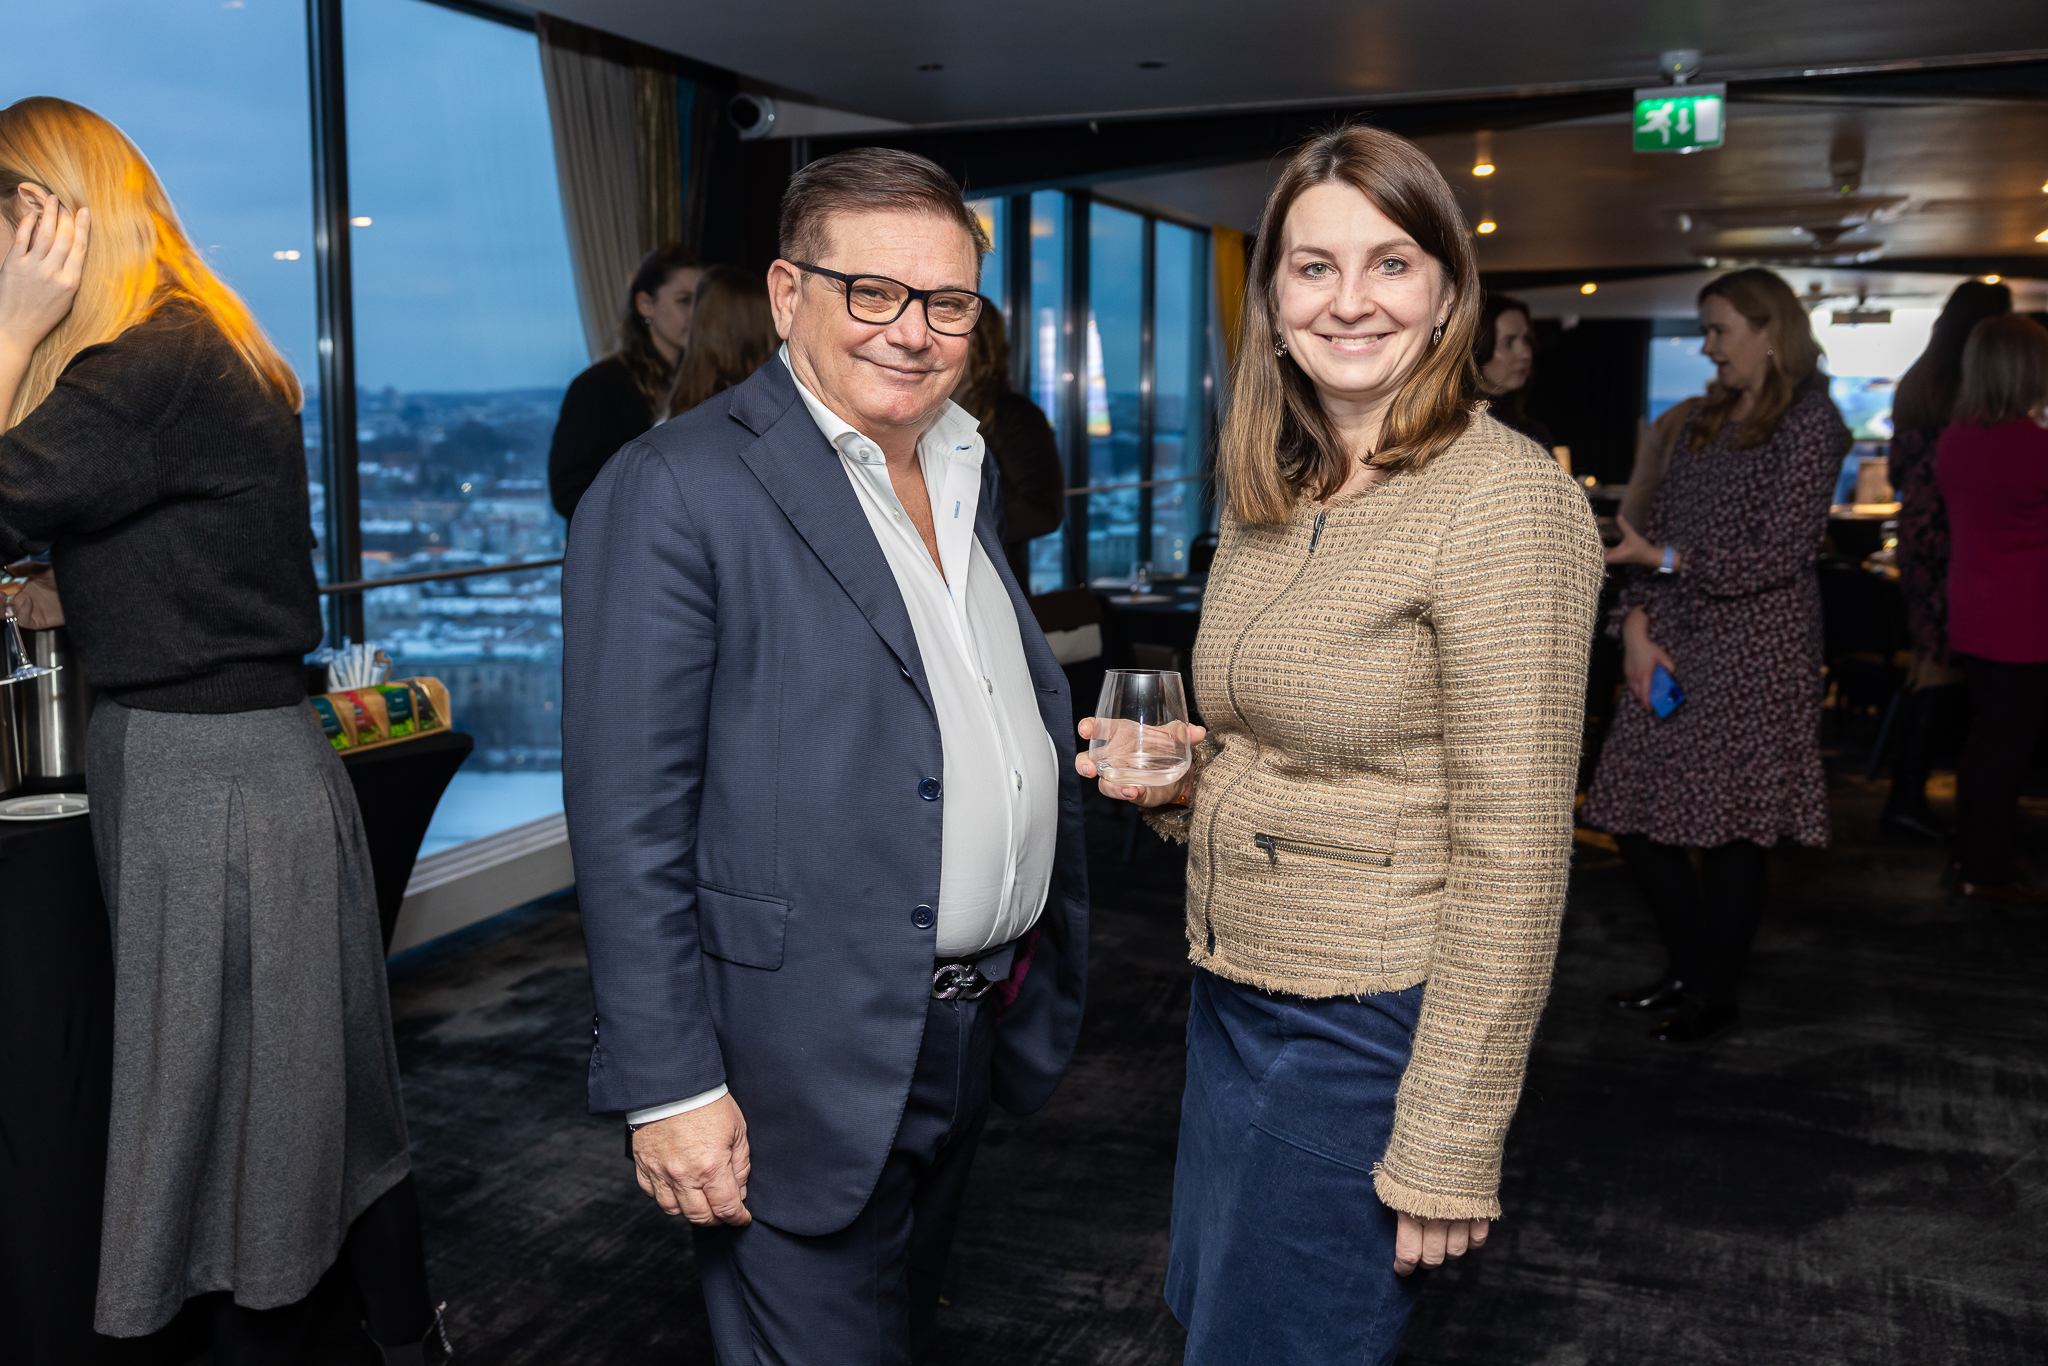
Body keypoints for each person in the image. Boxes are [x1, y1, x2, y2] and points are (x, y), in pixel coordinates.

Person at [1081, 125, 1602, 1365]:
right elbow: (1280, 750)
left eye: (1390, 263)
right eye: (1313, 267)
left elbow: (1516, 850)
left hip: (1367, 1019)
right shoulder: (1275, 488)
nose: (1349, 300)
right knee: (1210, 1324)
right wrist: (1182, 784)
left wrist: (1448, 1135)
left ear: (1446, 295)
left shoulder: (1503, 499)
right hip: (1230, 992)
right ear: (1270, 301)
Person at [561, 146, 1088, 1364]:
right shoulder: (674, 486)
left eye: (946, 302)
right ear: (787, 293)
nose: (911, 330)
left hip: (962, 1029)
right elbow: (629, 823)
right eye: (872, 291)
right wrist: (669, 1086)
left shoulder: (960, 465)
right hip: (788, 1058)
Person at [0, 98, 446, 1364]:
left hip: (206, 769)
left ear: (42, 219)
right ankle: (373, 1325)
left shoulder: (147, 361)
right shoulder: (191, 339)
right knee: (283, 1094)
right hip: (232, 752)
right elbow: (202, 546)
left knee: (229, 1107)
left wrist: (11, 329)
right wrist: (82, 590)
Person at [1583, 267, 1853, 1043]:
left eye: (1719, 330)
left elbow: (1780, 554)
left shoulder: (1811, 423)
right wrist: (1636, 623)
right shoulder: (1703, 419)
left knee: (1732, 832)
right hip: (1673, 636)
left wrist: (1665, 562)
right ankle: (1691, 969)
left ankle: (1713, 992)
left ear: (1770, 333)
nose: (1707, 347)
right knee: (1630, 815)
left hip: (1756, 652)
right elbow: (1656, 532)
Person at [1881, 281, 2011, 841]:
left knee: (1926, 661)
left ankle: (1904, 797)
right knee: (1941, 664)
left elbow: (1896, 472)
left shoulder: (1917, 380)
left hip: (1917, 534)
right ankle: (1905, 801)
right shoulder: (1971, 388)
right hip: (1953, 534)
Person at [1936, 314, 2048, 906]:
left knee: (1983, 742)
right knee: (2006, 751)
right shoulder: (2035, 447)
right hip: (2025, 618)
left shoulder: (1956, 440)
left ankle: (1971, 855)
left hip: (1972, 611)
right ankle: (1986, 870)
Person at [547, 241, 701, 520]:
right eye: (684, 300)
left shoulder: (701, 381)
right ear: (645, 304)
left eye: (701, 301)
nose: (696, 313)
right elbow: (569, 492)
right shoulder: (597, 386)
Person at [952, 299, 1065, 581]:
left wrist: (955, 527)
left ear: (983, 346)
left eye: (956, 334)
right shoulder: (925, 415)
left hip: (991, 582)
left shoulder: (1016, 416)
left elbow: (1043, 509)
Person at [661, 263, 776, 419]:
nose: (688, 317)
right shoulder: (783, 409)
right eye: (684, 300)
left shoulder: (682, 416)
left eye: (690, 302)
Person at [1472, 291, 1553, 447]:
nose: (1526, 354)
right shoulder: (1453, 429)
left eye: (1526, 340)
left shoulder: (1535, 432)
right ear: (1477, 349)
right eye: (1508, 343)